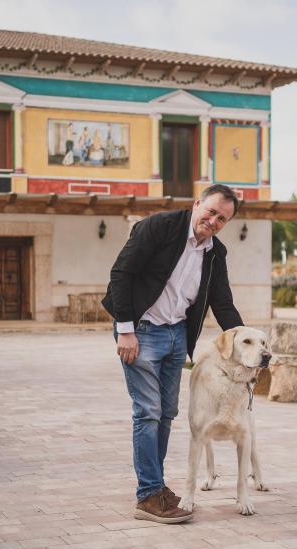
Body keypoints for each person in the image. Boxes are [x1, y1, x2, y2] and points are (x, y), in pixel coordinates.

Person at [102, 184, 244, 524]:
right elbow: (121, 274)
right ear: (197, 204)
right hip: (141, 330)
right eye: (211, 211)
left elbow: (222, 302)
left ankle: (155, 485)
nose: (213, 221)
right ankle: (149, 495)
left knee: (166, 413)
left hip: (177, 335)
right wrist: (125, 330)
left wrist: (247, 344)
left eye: (222, 219)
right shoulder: (158, 227)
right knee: (148, 412)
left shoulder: (215, 253)